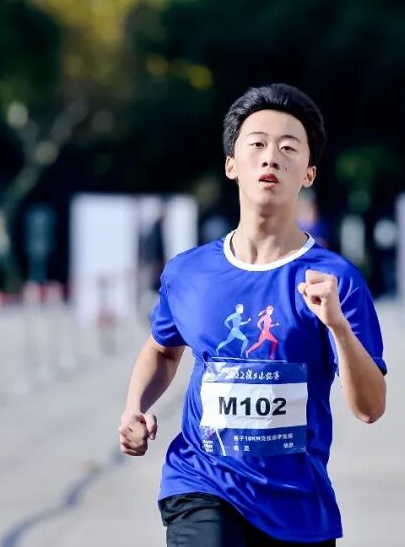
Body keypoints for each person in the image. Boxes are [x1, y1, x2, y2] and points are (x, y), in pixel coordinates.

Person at [117, 84, 387, 546]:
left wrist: (338, 327)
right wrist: (134, 409)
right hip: (202, 482)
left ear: (309, 173)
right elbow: (163, 350)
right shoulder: (189, 272)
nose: (271, 158)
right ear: (231, 164)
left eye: (288, 148)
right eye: (257, 144)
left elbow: (370, 408)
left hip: (296, 506)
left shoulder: (336, 280)